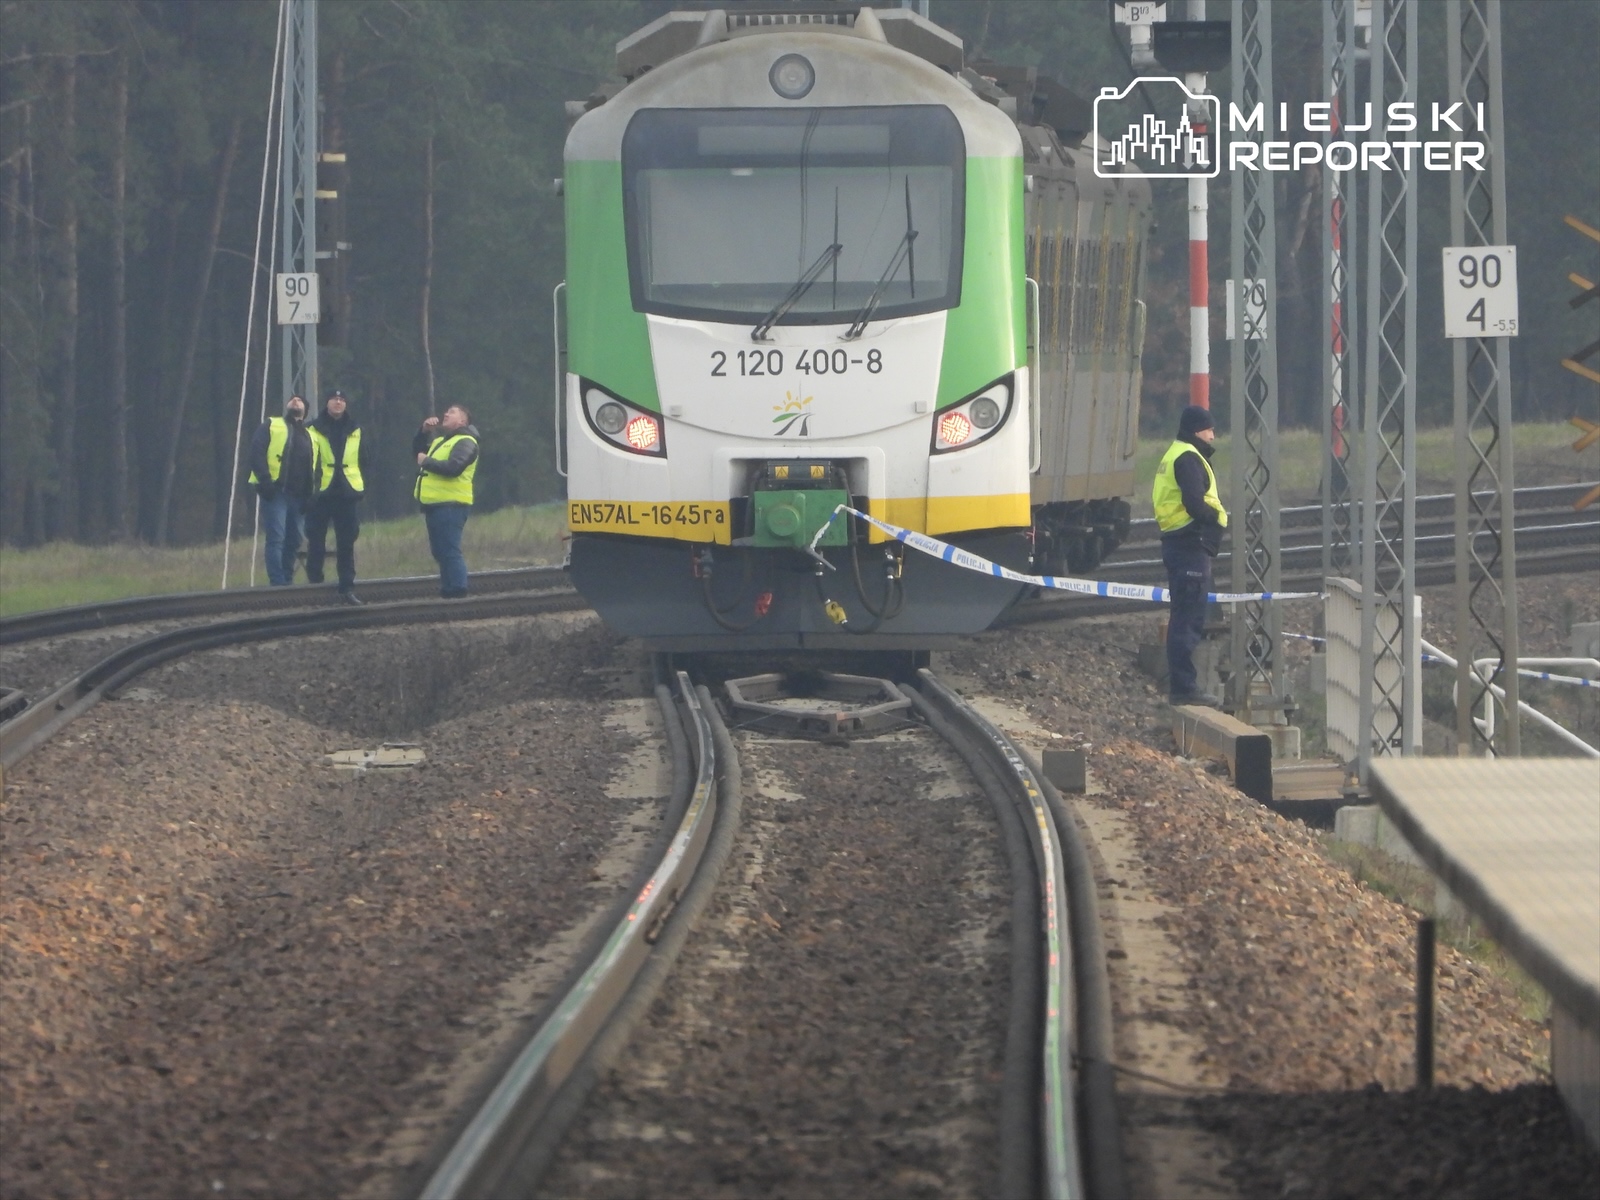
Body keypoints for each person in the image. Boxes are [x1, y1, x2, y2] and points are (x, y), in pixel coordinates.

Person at [1153, 404, 1229, 707]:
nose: (1213, 435)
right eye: (1210, 429)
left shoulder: (1176, 453)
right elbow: (1194, 503)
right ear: (1198, 430)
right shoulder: (1187, 458)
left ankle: (1184, 685)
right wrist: (1214, 516)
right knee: (1187, 618)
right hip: (1189, 543)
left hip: (1179, 543)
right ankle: (1184, 688)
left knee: (1183, 615)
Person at [305, 389, 372, 605]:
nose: (338, 403)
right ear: (327, 403)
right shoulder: (312, 429)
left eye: (342, 400)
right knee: (316, 541)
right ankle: (315, 584)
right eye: (335, 399)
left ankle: (347, 587)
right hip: (320, 493)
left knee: (347, 541)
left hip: (347, 493)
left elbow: (366, 459)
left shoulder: (356, 430)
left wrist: (361, 486)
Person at [413, 404, 480, 597]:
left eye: (451, 412)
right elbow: (417, 454)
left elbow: (454, 468)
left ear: (463, 421)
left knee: (449, 549)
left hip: (452, 504)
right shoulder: (441, 441)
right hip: (435, 504)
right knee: (440, 551)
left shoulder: (467, 441)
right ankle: (448, 589)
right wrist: (423, 432)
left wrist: (427, 462)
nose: (446, 414)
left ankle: (458, 590)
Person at [247, 394, 314, 586]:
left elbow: (314, 466)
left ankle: (287, 579)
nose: (295, 401)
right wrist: (265, 481)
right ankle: (278, 583)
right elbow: (256, 451)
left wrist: (310, 494)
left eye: (299, 400)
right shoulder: (271, 424)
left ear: (306, 409)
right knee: (277, 537)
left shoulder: (310, 435)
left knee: (294, 540)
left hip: (299, 496)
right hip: (276, 492)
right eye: (292, 399)